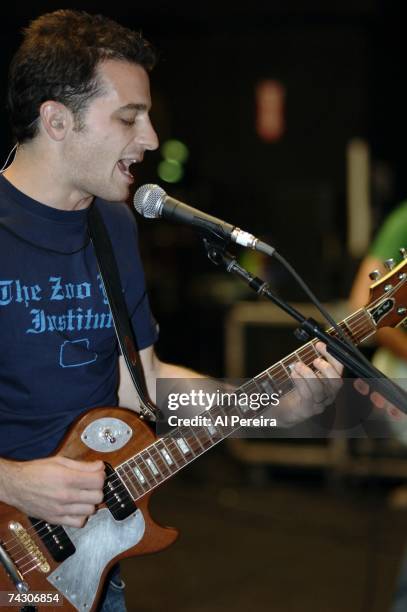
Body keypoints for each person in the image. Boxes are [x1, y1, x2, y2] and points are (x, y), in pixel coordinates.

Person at [0, 10, 343, 611]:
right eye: (129, 117)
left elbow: (145, 387)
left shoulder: (112, 225)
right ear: (56, 120)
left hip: (87, 567)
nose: (151, 139)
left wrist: (275, 408)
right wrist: (13, 481)